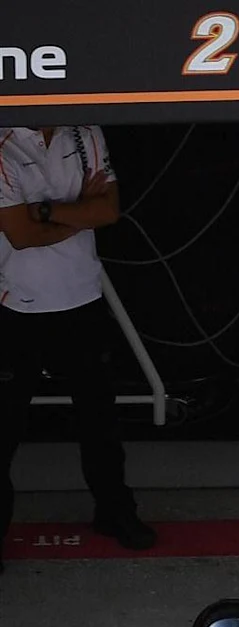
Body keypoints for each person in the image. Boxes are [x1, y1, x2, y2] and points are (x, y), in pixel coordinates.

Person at [0, 124, 152, 559]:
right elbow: (20, 235)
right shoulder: (3, 145)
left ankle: (115, 511)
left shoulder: (86, 132)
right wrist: (77, 212)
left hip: (83, 297)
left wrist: (45, 211)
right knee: (3, 429)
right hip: (14, 306)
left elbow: (109, 210)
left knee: (100, 421)